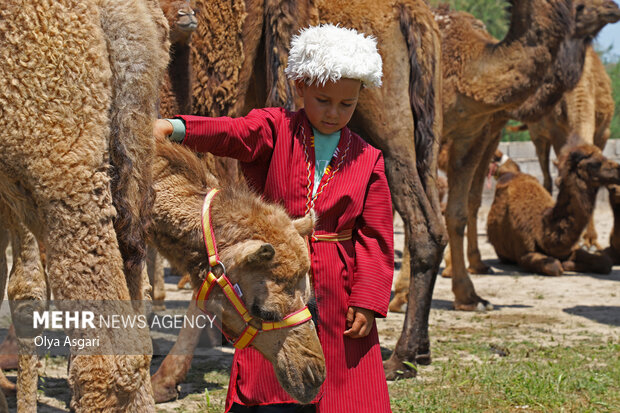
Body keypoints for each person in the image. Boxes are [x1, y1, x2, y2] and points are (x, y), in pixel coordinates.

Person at [154, 23, 394, 413]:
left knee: (343, 378)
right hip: (276, 276)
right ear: (299, 87)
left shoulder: (370, 160)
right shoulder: (275, 128)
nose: (334, 112)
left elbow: (377, 238)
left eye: (346, 104)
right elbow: (233, 133)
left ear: (358, 98)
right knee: (269, 367)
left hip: (339, 284)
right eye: (323, 100)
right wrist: (178, 128)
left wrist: (367, 300)